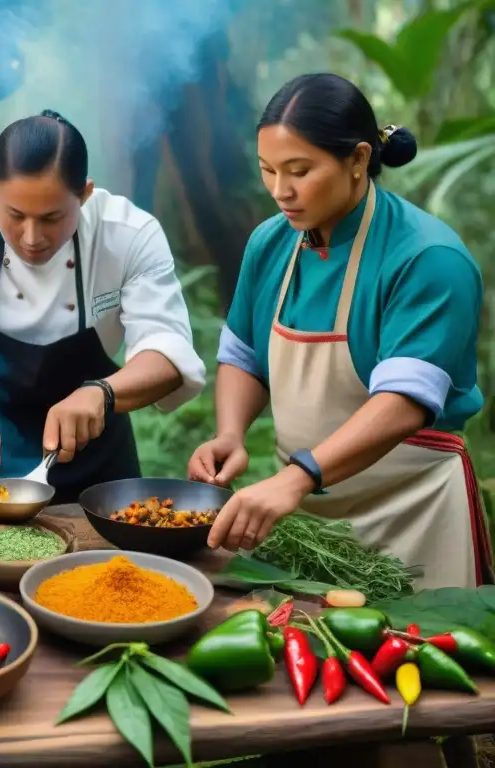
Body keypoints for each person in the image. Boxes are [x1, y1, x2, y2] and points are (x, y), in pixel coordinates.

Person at [188, 73, 492, 590]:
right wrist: (231, 434)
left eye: (300, 171)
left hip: (413, 509)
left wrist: (296, 477)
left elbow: (403, 401)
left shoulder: (427, 260)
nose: (281, 191)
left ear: (357, 159)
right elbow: (243, 354)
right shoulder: (271, 242)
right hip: (303, 517)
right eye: (267, 171)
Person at [0, 109, 205, 502]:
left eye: (52, 217)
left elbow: (167, 348)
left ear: (84, 194)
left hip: (98, 467)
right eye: (15, 215)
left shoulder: (129, 235)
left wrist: (103, 393)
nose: (32, 237)